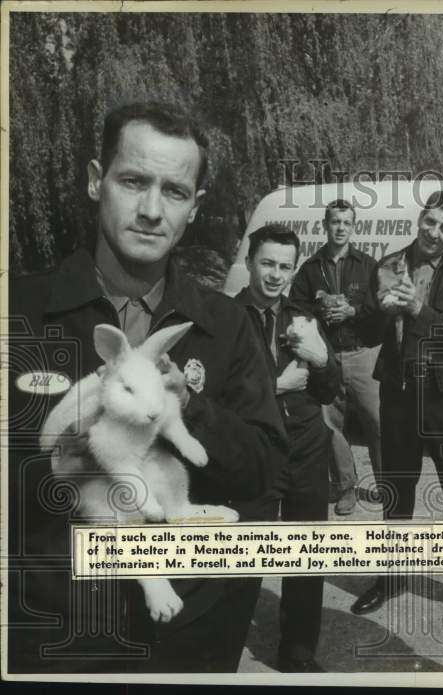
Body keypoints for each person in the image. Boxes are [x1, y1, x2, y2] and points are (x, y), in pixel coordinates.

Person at [7, 102, 287, 673]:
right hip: (58, 635)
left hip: (189, 638)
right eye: (134, 181)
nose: (152, 210)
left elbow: (265, 470)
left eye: (175, 191)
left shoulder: (225, 325)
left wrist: (193, 410)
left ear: (195, 208)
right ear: (95, 181)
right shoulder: (20, 312)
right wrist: (61, 455)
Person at [349, 190, 443, 627]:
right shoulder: (390, 264)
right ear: (420, 220)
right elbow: (369, 330)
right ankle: (392, 579)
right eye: (430, 222)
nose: (433, 232)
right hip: (398, 392)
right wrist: (375, 310)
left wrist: (418, 309)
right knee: (396, 493)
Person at [235, 224, 339, 672]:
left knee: (305, 551)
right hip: (255, 450)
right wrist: (276, 387)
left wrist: (321, 359)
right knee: (244, 551)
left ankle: (297, 652)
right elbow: (215, 399)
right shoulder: (225, 317)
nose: (276, 275)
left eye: (285, 266)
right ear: (249, 262)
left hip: (306, 447)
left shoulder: (303, 317)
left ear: (295, 270)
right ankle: (225, 640)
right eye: (267, 263)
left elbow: (330, 388)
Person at [290, 199, 381, 515]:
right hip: (326, 358)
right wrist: (321, 311)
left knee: (377, 422)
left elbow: (381, 308)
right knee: (330, 426)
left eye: (346, 222)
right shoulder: (310, 269)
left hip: (364, 354)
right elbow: (295, 309)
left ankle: (386, 482)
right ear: (324, 225)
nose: (340, 227)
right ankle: (345, 487)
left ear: (353, 226)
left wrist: (353, 310)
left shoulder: (368, 265)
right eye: (335, 221)